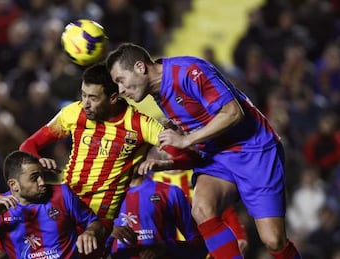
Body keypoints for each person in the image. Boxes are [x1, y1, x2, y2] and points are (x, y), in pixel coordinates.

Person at [0, 63, 197, 258]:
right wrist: (38, 160)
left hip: (95, 218)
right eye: (83, 95)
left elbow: (186, 157)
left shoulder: (142, 125)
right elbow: (28, 145)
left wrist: (162, 163)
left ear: (113, 97)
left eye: (93, 98)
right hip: (62, 202)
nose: (85, 103)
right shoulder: (73, 113)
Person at [106, 43, 301, 258]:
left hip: (255, 151)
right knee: (201, 209)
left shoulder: (188, 72)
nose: (120, 90)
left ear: (140, 67)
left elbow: (233, 113)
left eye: (120, 81)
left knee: (274, 241)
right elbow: (199, 139)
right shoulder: (157, 94)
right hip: (218, 156)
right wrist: (169, 163)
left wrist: (185, 140)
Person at [0, 150, 105, 258]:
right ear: (13, 185)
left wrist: (90, 232)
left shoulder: (62, 194)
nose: (42, 182)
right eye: (34, 178)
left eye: (41, 175)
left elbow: (96, 223)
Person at [108, 171, 207, 259]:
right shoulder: (105, 199)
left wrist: (166, 247)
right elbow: (95, 248)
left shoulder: (170, 192)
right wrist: (106, 232)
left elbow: (200, 246)